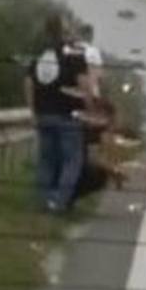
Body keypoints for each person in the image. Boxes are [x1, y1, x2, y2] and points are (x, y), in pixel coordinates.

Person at [24, 14, 95, 213]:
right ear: (64, 31)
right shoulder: (74, 54)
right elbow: (84, 85)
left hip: (43, 114)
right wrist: (90, 109)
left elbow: (29, 83)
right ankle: (58, 203)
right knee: (72, 161)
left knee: (46, 160)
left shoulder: (39, 52)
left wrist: (32, 111)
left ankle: (42, 202)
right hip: (68, 115)